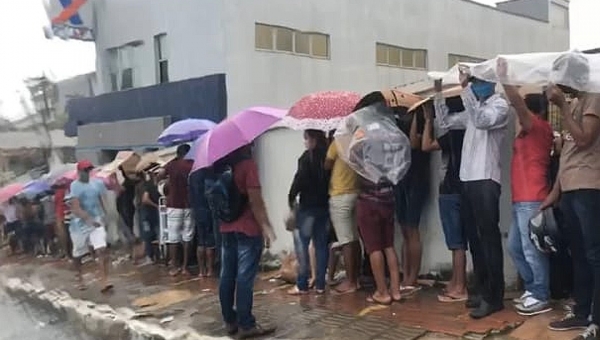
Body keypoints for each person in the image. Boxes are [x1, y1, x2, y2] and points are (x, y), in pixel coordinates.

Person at [435, 69, 509, 319]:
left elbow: (480, 120)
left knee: (488, 237)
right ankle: (481, 289)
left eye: (477, 82)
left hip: (485, 179)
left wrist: (465, 89)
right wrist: (438, 93)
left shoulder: (499, 106)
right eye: (473, 82)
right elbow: (446, 123)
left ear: (490, 83)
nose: (474, 86)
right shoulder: (473, 106)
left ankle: (494, 296)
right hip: (467, 178)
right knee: (475, 239)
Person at [540, 52, 600, 340]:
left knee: (594, 254)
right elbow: (568, 154)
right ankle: (581, 311)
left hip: (590, 186)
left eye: (563, 81)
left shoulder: (593, 97)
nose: (560, 88)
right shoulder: (576, 101)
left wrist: (563, 106)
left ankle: (596, 320)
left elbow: (586, 139)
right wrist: (554, 192)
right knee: (578, 254)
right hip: (571, 188)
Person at [497, 58, 554, 316]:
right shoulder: (528, 133)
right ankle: (533, 288)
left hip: (532, 198)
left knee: (531, 250)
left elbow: (518, 106)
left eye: (521, 115)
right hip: (522, 199)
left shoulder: (538, 127)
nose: (517, 121)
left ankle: (541, 294)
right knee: (516, 248)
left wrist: (506, 81)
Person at [217, 145, 276, 338]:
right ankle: (246, 324)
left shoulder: (222, 167)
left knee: (227, 275)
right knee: (244, 277)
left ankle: (230, 321)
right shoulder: (247, 166)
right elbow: (255, 201)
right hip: (247, 229)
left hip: (226, 228)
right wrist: (266, 227)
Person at [421, 99, 468, 303]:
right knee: (457, 242)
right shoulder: (468, 132)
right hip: (462, 188)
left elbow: (426, 145)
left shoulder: (454, 134)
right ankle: (456, 282)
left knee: (456, 243)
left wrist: (428, 121)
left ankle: (460, 287)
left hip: (450, 189)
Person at [287, 130, 330, 295]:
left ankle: (302, 284)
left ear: (312, 139)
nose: (305, 142)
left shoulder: (306, 158)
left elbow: (299, 180)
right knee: (321, 246)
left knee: (303, 246)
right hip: (323, 207)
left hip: (307, 208)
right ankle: (320, 284)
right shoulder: (327, 157)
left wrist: (291, 198)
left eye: (306, 139)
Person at [395, 107, 430, 296]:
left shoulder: (423, 122)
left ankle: (412, 277)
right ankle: (405, 274)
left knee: (412, 228)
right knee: (404, 229)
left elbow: (414, 144)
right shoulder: (397, 121)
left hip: (417, 178)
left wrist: (419, 117)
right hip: (401, 178)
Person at [324, 131, 360, 294]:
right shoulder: (357, 140)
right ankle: (356, 278)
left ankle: (350, 281)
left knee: (345, 241)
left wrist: (329, 143)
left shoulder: (337, 142)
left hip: (340, 194)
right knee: (354, 238)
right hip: (356, 192)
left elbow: (327, 165)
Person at [69, 160, 112, 292]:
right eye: (84, 170)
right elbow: (75, 207)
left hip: (97, 220)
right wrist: (88, 219)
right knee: (78, 253)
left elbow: (102, 200)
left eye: (89, 170)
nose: (87, 173)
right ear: (79, 172)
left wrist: (107, 216)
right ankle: (79, 276)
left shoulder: (97, 183)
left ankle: (104, 280)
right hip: (79, 224)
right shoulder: (75, 186)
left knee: (101, 249)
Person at [160, 144, 194, 276]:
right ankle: (185, 267)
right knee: (187, 237)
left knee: (173, 237)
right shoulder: (192, 164)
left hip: (174, 205)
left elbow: (159, 176)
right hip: (189, 204)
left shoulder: (172, 165)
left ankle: (174, 266)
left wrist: (168, 181)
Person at [189, 167, 217, 277]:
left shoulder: (192, 176)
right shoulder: (209, 174)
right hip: (208, 211)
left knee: (200, 241)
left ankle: (201, 271)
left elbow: (190, 195)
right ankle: (210, 270)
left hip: (197, 211)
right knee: (210, 242)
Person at [139, 170, 161, 265]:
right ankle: (150, 257)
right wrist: (157, 206)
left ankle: (156, 256)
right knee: (148, 235)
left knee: (156, 234)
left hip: (153, 214)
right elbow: (145, 199)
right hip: (147, 215)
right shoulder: (148, 185)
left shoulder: (159, 185)